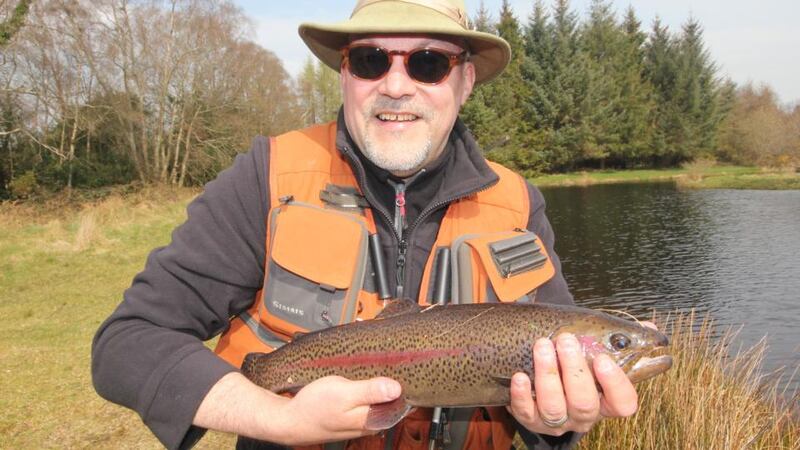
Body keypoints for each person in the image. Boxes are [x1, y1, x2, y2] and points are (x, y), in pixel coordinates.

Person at [92, 1, 641, 449]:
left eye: (428, 63)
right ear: (345, 74)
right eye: (372, 60)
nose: (396, 86)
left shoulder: (519, 204)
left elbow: (552, 414)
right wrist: (276, 419)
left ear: (466, 81)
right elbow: (128, 344)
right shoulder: (267, 175)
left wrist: (556, 422)